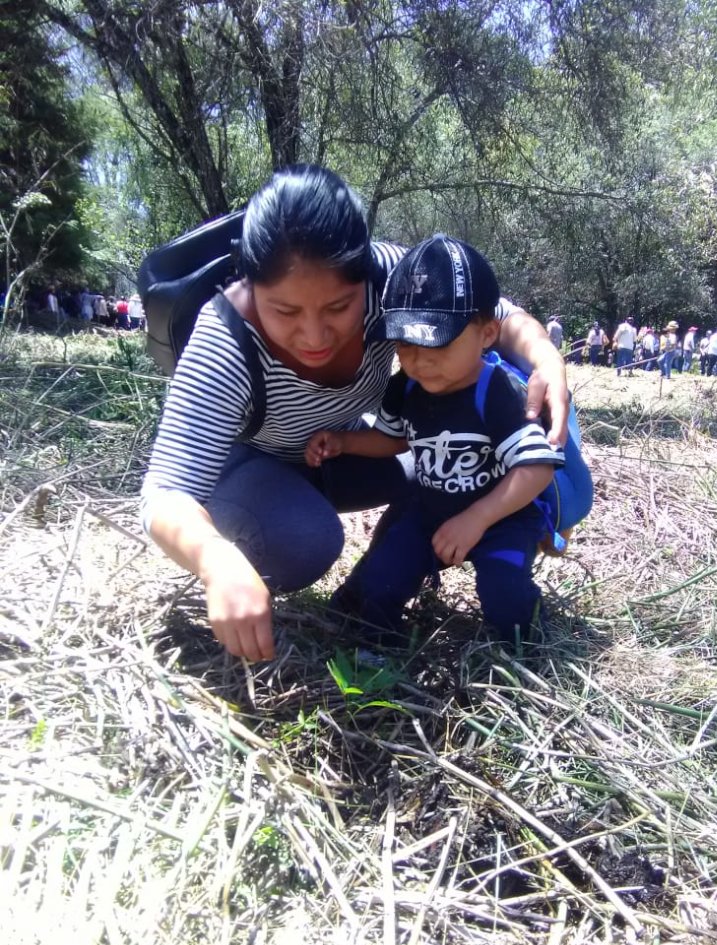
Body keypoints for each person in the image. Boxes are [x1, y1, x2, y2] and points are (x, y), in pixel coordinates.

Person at [141, 165, 569, 662]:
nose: (315, 335)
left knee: (443, 465)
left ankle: (391, 572)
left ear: (365, 275)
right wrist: (216, 561)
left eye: (339, 307)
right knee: (306, 543)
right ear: (251, 284)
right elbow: (164, 495)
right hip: (261, 464)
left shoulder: (389, 276)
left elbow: (495, 315)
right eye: (285, 312)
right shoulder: (224, 341)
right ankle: (272, 533)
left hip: (341, 451)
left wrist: (546, 358)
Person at [305, 235, 565, 643]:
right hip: (431, 510)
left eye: (438, 341)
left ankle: (525, 644)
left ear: (486, 333)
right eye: (405, 344)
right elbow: (393, 440)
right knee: (380, 583)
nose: (420, 359)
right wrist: (344, 442)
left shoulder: (496, 392)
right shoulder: (407, 386)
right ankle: (378, 646)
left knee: (505, 595)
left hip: (503, 518)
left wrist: (477, 518)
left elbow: (537, 468)